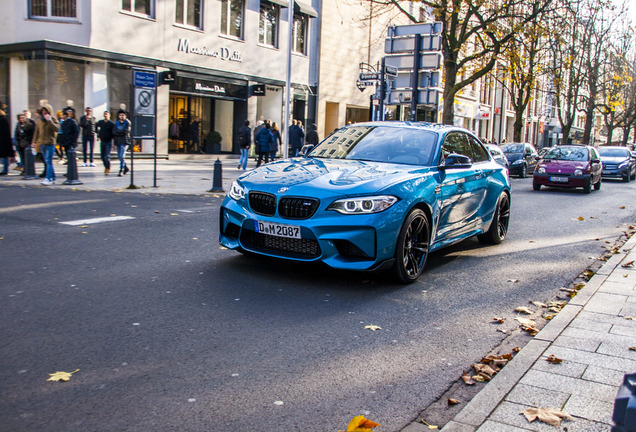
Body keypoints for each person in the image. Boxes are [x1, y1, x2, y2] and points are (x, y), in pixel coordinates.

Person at [32, 102, 60, 185]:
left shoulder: (53, 119)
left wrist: (49, 121)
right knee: (47, 161)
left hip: (50, 143)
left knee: (48, 161)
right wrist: (34, 142)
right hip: (42, 143)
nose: (44, 112)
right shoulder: (39, 120)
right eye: (43, 111)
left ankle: (48, 178)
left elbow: (57, 129)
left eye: (46, 111)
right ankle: (53, 177)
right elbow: (36, 131)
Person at [112, 109, 131, 176]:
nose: (121, 116)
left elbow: (125, 131)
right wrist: (120, 132)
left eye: (123, 115)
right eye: (120, 115)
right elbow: (113, 131)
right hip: (117, 141)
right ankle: (125, 167)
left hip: (124, 141)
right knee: (119, 156)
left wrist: (118, 132)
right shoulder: (116, 123)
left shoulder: (127, 122)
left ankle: (121, 169)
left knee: (122, 156)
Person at [0, 107, 13, 175]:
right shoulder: (3, 119)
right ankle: (4, 169)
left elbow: (5, 132)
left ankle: (5, 170)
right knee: (4, 156)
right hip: (3, 140)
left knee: (4, 156)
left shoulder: (3, 120)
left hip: (3, 141)